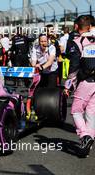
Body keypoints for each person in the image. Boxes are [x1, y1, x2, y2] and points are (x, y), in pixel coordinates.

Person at [64, 15, 95, 158]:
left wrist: (68, 84)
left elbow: (74, 65)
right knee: (91, 112)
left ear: (77, 26)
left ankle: (85, 136)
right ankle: (88, 143)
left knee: (76, 110)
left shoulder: (78, 41)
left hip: (86, 81)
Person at [26, 34, 57, 119]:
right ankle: (38, 110)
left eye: (45, 41)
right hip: (41, 72)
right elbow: (33, 61)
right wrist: (35, 65)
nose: (43, 43)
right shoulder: (35, 48)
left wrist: (41, 67)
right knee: (39, 91)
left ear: (48, 41)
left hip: (51, 71)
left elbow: (50, 61)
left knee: (51, 92)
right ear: (39, 42)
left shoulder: (52, 48)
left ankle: (51, 112)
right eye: (41, 41)